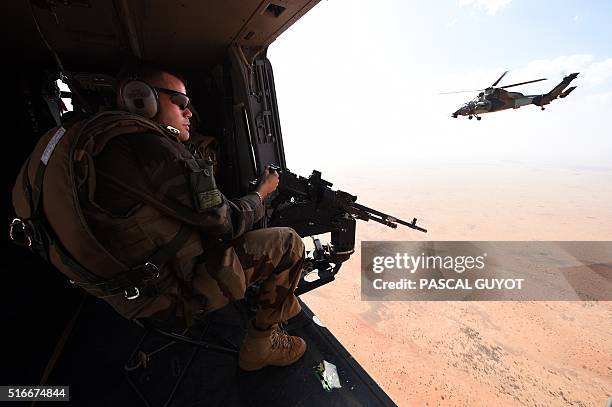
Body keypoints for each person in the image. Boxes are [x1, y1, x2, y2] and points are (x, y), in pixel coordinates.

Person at [81, 66, 307, 371]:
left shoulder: (102, 138)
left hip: (118, 285)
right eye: (181, 103)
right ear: (142, 100)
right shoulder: (156, 151)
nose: (190, 113)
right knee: (288, 244)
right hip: (165, 295)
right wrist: (261, 194)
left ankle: (275, 310)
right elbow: (226, 222)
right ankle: (260, 346)